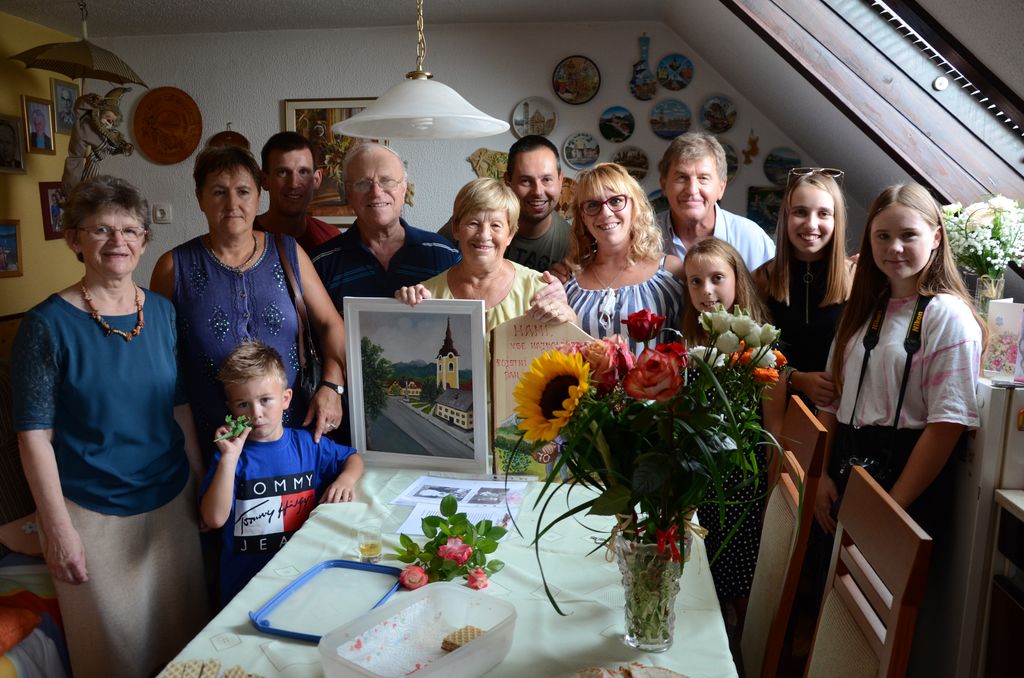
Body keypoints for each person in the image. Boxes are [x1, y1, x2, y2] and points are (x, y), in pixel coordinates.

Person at [11, 176, 208, 677]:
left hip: (171, 503)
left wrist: (201, 483)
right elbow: (34, 437)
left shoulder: (162, 312)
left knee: (186, 651)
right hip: (91, 513)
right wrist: (57, 529)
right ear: (74, 239)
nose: (117, 241)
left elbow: (180, 408)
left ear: (143, 240)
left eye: (129, 230)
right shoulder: (45, 325)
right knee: (113, 660)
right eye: (101, 229)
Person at [150, 145, 347, 458]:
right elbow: (163, 365)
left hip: (294, 440)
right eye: (219, 192)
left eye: (243, 191)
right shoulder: (173, 268)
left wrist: (333, 386)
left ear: (258, 196)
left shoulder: (288, 252)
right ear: (200, 198)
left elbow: (331, 324)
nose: (232, 204)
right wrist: (189, 457)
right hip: (212, 446)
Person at [200, 342, 363, 608]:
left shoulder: (308, 444)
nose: (256, 413)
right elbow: (214, 519)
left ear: (286, 399)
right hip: (244, 589)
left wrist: (346, 480)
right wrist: (229, 458)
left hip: (302, 580)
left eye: (265, 400)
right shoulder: (230, 456)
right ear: (231, 409)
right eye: (243, 404)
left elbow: (353, 458)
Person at [680, 237, 771, 637]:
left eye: (717, 278)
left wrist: (772, 490)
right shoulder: (689, 343)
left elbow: (773, 426)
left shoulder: (759, 346)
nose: (707, 291)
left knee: (741, 574)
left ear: (737, 280)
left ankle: (744, 647)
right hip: (698, 476)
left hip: (741, 481)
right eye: (695, 281)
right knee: (704, 569)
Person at [754, 168, 853, 446]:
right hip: (775, 415)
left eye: (823, 214)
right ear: (786, 217)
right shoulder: (763, 278)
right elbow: (751, 356)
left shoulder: (855, 277)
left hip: (839, 416)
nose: (811, 224)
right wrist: (798, 379)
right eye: (800, 212)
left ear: (836, 220)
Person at [396, 178, 574, 331]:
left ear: (510, 235)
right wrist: (404, 310)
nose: (483, 235)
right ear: (456, 229)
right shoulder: (427, 297)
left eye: (496, 225)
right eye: (473, 223)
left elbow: (568, 349)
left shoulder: (539, 289)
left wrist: (569, 318)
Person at [311, 143, 460, 313]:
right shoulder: (321, 263)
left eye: (386, 181)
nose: (376, 192)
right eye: (363, 183)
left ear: (404, 188)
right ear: (348, 192)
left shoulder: (444, 254)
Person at [564, 162, 685, 355]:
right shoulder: (569, 283)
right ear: (583, 217)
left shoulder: (672, 273)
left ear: (634, 206)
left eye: (616, 201)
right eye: (592, 205)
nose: (605, 213)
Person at [438, 135, 570, 273]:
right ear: (508, 180)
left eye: (547, 179)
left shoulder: (572, 244)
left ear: (561, 180)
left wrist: (567, 285)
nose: (538, 191)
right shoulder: (474, 221)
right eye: (525, 181)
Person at [657, 131, 775, 272]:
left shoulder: (750, 238)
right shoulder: (641, 236)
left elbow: (779, 285)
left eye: (703, 178)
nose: (692, 190)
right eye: (682, 177)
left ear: (721, 188)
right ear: (664, 185)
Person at [254, 131, 339, 253]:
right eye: (282, 172)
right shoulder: (241, 237)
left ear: (316, 179)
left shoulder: (332, 240)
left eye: (303, 172)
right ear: (264, 180)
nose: (294, 184)